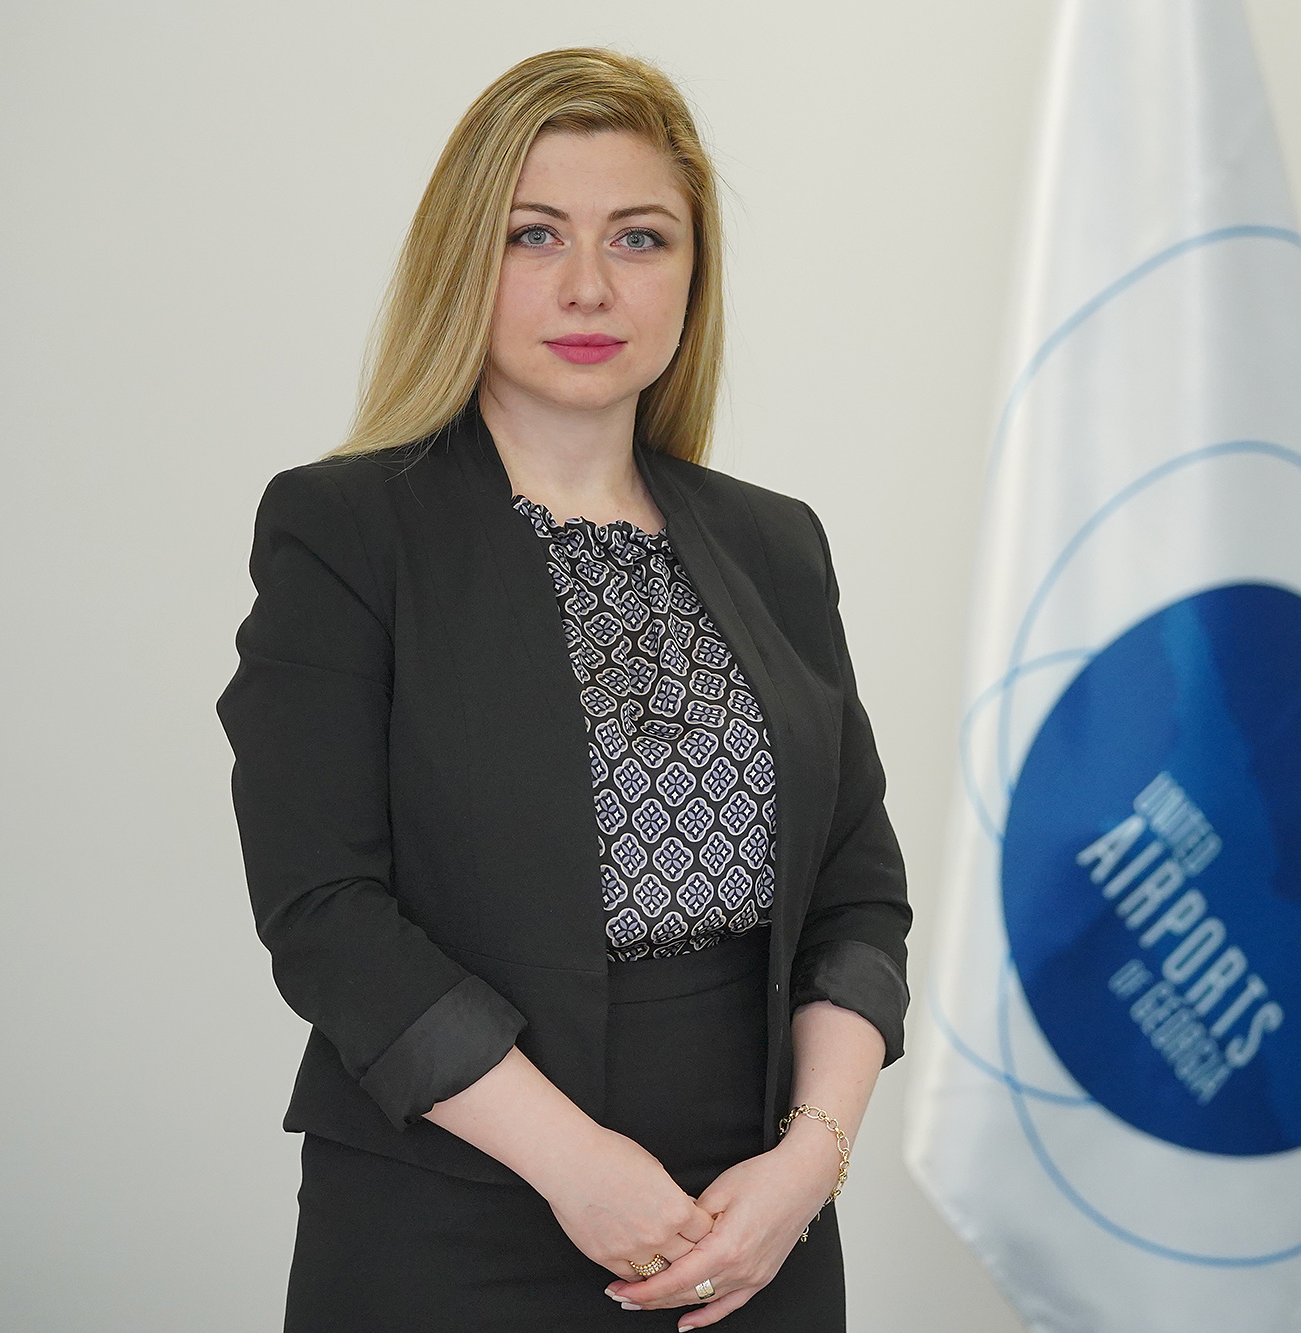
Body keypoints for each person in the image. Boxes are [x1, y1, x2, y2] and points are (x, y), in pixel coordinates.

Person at [216, 48, 910, 1333]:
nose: (589, 284)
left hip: (754, 1224)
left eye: (639, 238)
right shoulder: (346, 530)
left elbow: (858, 895)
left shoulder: (775, 542)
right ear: (462, 258)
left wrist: (809, 1162)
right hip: (452, 1215)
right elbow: (323, 908)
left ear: (692, 273)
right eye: (533, 234)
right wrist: (575, 1164)